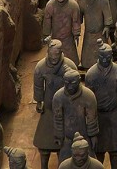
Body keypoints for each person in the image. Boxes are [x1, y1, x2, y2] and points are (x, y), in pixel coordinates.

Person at [85, 40, 117, 169]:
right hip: (98, 116)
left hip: (114, 114)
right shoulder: (91, 74)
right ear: (97, 56)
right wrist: (88, 116)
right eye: (102, 57)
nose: (105, 60)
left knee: (116, 149)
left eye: (108, 57)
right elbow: (89, 97)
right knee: (98, 150)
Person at [34, 40, 78, 169]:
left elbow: (76, 87)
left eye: (56, 56)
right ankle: (44, 166)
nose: (54, 59)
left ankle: (62, 164)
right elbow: (38, 86)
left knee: (64, 145)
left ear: (61, 53)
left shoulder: (70, 66)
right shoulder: (41, 66)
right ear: (47, 52)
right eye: (51, 55)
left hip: (65, 109)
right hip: (49, 108)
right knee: (44, 143)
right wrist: (39, 101)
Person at [53, 68, 99, 161]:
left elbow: (92, 118)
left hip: (85, 139)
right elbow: (58, 118)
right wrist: (58, 135)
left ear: (79, 81)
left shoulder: (88, 95)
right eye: (67, 83)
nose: (70, 86)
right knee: (64, 163)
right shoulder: (58, 96)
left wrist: (93, 135)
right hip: (67, 139)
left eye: (73, 83)